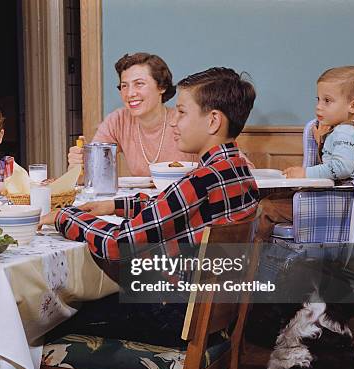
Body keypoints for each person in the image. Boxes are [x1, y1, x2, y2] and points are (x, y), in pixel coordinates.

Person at [42, 67, 259, 346]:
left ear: (213, 121)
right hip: (208, 316)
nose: (174, 122)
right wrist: (114, 205)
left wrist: (64, 216)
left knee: (54, 316)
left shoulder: (198, 180)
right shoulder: (236, 170)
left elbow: (117, 244)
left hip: (172, 315)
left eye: (181, 112)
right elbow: (171, 207)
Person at [257, 66, 354, 241]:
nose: (319, 107)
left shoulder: (345, 131)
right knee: (273, 199)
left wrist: (305, 173)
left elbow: (342, 168)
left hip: (335, 200)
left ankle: (253, 258)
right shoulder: (342, 130)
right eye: (318, 99)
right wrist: (322, 138)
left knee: (266, 207)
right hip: (329, 196)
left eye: (327, 101)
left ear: (353, 105)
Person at [67, 52, 196, 177]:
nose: (129, 94)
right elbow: (92, 176)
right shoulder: (118, 120)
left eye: (139, 84)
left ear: (162, 87)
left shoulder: (184, 121)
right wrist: (80, 165)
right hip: (141, 198)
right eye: (124, 86)